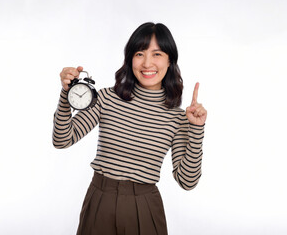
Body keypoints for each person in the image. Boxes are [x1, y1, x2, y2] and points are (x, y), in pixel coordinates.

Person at [53, 22, 207, 235]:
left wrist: (196, 130)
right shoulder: (107, 97)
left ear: (170, 60)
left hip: (144, 208)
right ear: (130, 59)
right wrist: (67, 93)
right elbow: (62, 139)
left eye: (157, 54)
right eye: (139, 53)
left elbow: (187, 181)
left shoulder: (177, 117)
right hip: (100, 201)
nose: (147, 63)